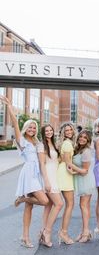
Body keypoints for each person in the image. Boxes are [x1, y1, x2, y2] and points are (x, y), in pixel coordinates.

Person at [0, 95, 49, 248]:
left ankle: (25, 236)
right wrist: (9, 105)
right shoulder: (22, 141)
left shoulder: (37, 142)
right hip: (29, 173)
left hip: (36, 174)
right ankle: (21, 199)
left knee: (30, 207)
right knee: (45, 201)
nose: (32, 129)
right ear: (25, 128)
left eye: (34, 127)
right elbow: (14, 121)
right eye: (30, 127)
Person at [38, 124, 64, 247]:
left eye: (50, 130)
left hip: (55, 176)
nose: (49, 132)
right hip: (48, 177)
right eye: (46, 131)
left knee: (48, 206)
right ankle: (47, 233)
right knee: (59, 204)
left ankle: (43, 230)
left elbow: (56, 161)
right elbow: (42, 164)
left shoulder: (53, 144)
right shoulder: (42, 145)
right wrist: (46, 181)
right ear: (43, 133)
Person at [70, 129, 95, 243]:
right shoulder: (78, 149)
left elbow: (85, 171)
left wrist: (71, 166)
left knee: (83, 206)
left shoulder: (86, 151)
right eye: (81, 136)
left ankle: (85, 232)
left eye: (85, 138)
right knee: (84, 206)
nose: (82, 139)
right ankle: (85, 231)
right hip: (81, 180)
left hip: (85, 181)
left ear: (88, 140)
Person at [57, 122, 77, 245]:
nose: (69, 132)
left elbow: (63, 160)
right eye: (66, 130)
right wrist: (79, 171)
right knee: (70, 204)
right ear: (63, 133)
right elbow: (68, 163)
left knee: (67, 204)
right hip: (65, 174)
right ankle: (63, 233)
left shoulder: (64, 143)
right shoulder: (67, 143)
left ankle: (62, 232)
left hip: (63, 171)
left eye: (70, 130)